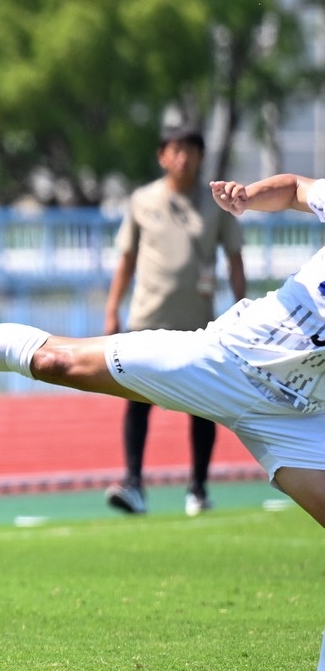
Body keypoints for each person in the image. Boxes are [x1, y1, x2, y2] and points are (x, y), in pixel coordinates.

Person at [0, 172, 325, 671]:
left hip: (298, 416)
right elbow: (297, 188)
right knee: (55, 361)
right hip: (225, 359)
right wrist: (250, 197)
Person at [103, 122, 246, 517]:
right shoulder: (142, 200)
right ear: (162, 156)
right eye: (175, 150)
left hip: (197, 322)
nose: (182, 158)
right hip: (146, 317)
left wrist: (242, 308)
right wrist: (112, 307)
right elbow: (127, 258)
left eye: (190, 150)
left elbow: (235, 259)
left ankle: (197, 488)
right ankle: (134, 484)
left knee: (202, 405)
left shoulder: (216, 203)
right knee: (137, 401)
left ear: (201, 157)